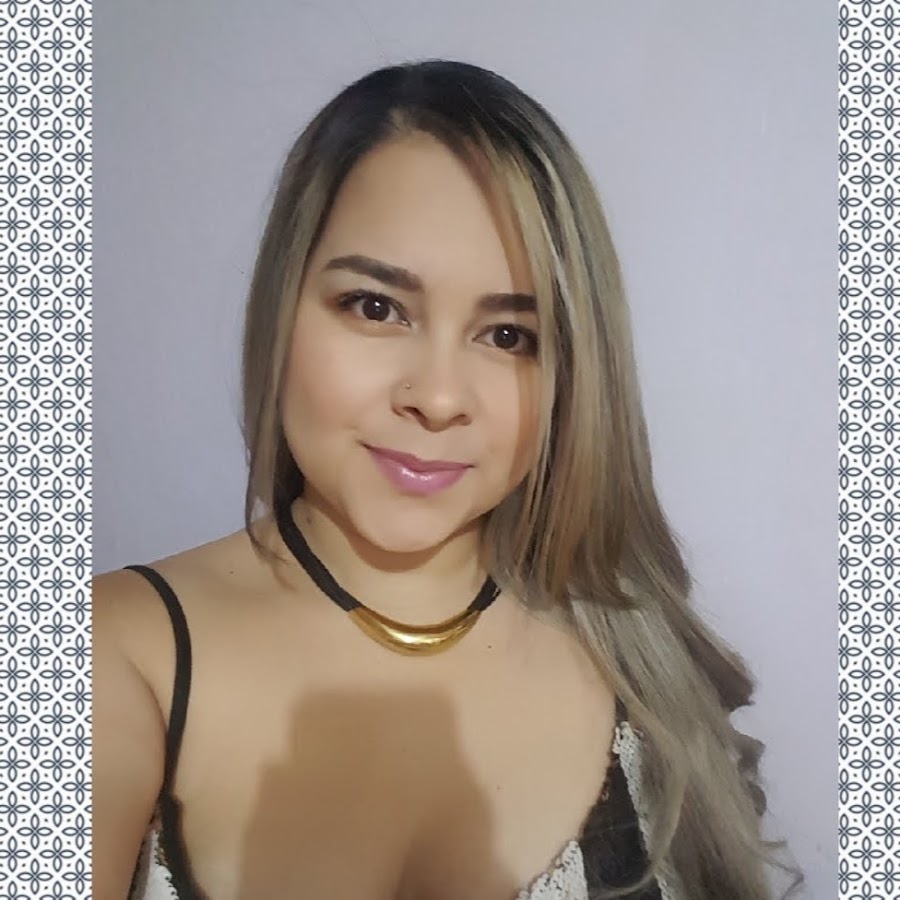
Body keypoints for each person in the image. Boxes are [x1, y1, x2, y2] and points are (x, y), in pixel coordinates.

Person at [93, 60, 795, 900]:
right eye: (376, 307)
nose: (436, 398)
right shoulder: (111, 659)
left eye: (507, 336)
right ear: (283, 304)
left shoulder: (644, 671)